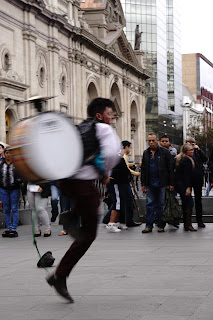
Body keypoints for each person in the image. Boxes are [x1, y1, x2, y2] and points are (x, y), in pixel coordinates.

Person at [46, 97, 121, 302]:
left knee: (92, 199)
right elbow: (114, 153)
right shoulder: (103, 129)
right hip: (81, 183)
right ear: (99, 115)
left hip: (66, 182)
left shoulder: (80, 129)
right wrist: (105, 172)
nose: (112, 117)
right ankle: (59, 275)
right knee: (88, 235)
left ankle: (72, 215)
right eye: (109, 113)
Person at [141, 133, 174, 233]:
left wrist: (171, 183)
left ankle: (160, 225)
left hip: (162, 183)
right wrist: (143, 184)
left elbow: (170, 168)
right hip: (150, 183)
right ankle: (148, 225)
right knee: (150, 204)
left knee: (161, 204)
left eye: (153, 140)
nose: (151, 142)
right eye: (149, 141)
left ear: (157, 141)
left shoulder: (164, 152)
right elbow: (143, 170)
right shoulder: (146, 153)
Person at [185, 137, 207, 227]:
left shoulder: (197, 152)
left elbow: (205, 159)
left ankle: (199, 220)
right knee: (187, 201)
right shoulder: (183, 153)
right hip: (187, 179)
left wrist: (199, 149)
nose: (190, 145)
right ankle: (187, 222)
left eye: (192, 143)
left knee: (198, 200)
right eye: (188, 143)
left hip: (197, 179)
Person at [0, 149, 22, 238]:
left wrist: (18, 182)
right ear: (4, 154)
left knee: (14, 208)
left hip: (14, 189)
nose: (8, 155)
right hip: (3, 189)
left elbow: (21, 176)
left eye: (10, 153)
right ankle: (8, 228)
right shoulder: (1, 164)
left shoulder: (17, 164)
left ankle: (13, 229)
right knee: (6, 209)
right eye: (7, 153)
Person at [175, 143, 196, 231]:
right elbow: (187, 175)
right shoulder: (187, 161)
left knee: (185, 203)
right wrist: (188, 187)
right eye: (190, 150)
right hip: (184, 185)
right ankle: (188, 224)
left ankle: (186, 224)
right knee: (189, 203)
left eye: (192, 150)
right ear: (186, 151)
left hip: (179, 185)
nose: (192, 152)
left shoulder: (180, 159)